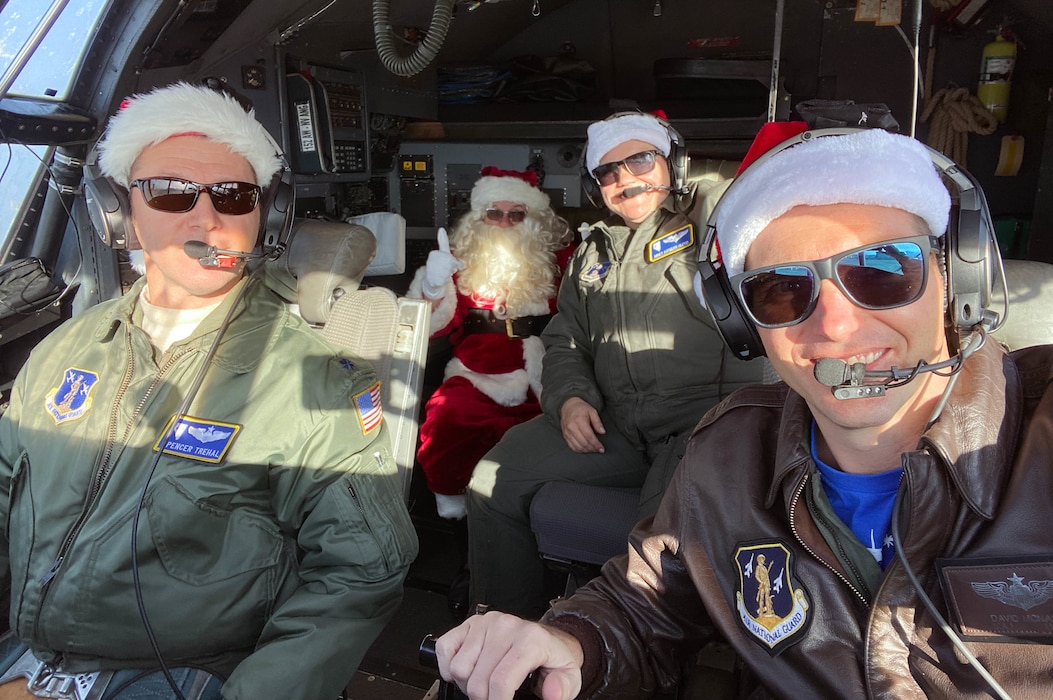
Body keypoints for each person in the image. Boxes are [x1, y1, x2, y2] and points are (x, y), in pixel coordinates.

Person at [433, 124, 1053, 699]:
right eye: (782, 289)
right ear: (743, 318)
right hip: (619, 419)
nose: (836, 325)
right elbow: (648, 599)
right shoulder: (732, 454)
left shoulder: (1040, 432)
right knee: (494, 476)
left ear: (959, 275)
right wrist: (565, 641)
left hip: (685, 421)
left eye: (883, 269)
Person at [0, 81, 418, 700]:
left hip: (184, 669)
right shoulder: (63, 351)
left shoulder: (314, 377)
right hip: (25, 647)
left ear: (265, 216)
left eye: (233, 195)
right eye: (170, 193)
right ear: (121, 213)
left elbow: (361, 570)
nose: (207, 217)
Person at [466, 111, 763, 617]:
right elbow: (565, 342)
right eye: (609, 172)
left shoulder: (719, 220)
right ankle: (503, 630)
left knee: (659, 544)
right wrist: (571, 399)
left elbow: (761, 194)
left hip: (704, 427)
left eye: (642, 159)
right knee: (493, 479)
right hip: (616, 424)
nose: (627, 179)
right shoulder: (591, 255)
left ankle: (638, 664)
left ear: (674, 162)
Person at [409, 167, 575, 520]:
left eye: (516, 214)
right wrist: (433, 288)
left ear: (533, 219)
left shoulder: (559, 261)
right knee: (447, 419)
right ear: (478, 217)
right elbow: (430, 328)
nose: (503, 222)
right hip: (476, 376)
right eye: (493, 213)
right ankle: (458, 516)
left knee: (553, 438)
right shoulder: (456, 260)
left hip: (545, 376)